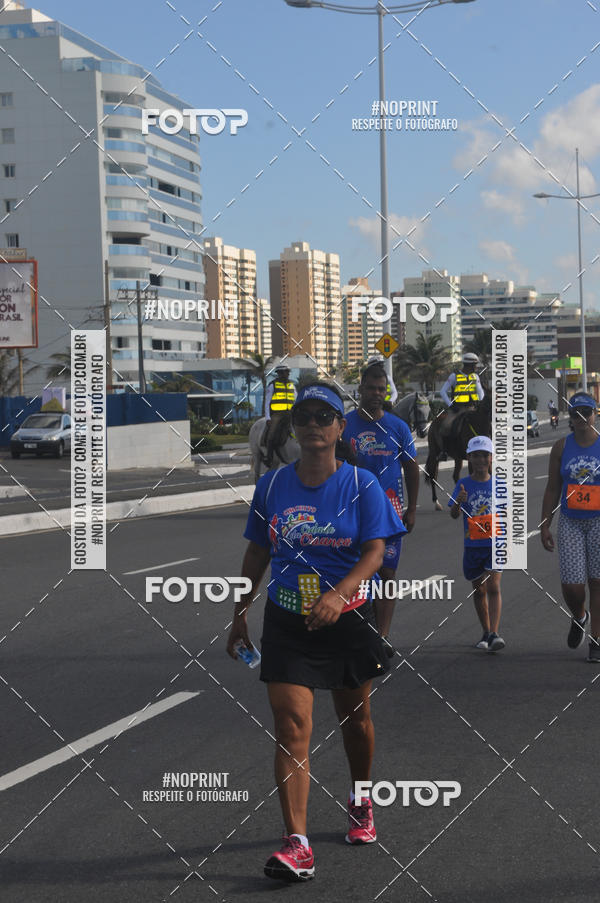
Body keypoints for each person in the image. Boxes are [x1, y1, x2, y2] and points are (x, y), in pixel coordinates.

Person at [227, 381, 405, 882]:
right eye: (304, 417)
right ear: (294, 427)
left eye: (323, 417)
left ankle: (361, 797)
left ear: (338, 428)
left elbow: (375, 551)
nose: (312, 426)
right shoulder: (274, 486)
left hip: (347, 620)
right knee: (291, 728)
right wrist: (239, 612)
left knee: (356, 721)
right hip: (287, 620)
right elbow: (257, 552)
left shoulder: (361, 484)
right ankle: (297, 844)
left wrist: (339, 595)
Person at [343, 361, 419, 654]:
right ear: (360, 389)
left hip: (389, 511)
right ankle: (355, 630)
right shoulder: (345, 425)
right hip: (351, 511)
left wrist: (412, 509)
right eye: (371, 388)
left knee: (387, 574)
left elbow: (411, 469)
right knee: (352, 572)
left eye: (381, 389)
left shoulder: (398, 427)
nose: (376, 393)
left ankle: (381, 637)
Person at [540, 392, 600, 662]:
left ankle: (596, 641)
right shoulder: (561, 447)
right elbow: (552, 488)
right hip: (571, 522)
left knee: (597, 582)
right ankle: (579, 615)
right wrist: (544, 525)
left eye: (586, 413)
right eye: (576, 414)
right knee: (572, 586)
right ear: (571, 419)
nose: (582, 418)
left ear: (595, 414)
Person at [448, 435, 505, 652]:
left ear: (491, 458)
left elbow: (507, 514)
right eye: (475, 456)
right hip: (472, 546)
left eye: (484, 455)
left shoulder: (499, 484)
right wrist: (459, 502)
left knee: (493, 586)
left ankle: (494, 633)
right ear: (469, 458)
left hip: (494, 544)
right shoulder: (463, 484)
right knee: (479, 591)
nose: (480, 460)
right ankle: (486, 630)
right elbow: (453, 514)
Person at [439, 352, 485, 441]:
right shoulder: (454, 376)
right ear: (468, 365)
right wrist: (451, 406)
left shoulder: (475, 376)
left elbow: (480, 392)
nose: (476, 367)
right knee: (446, 426)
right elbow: (443, 392)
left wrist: (481, 404)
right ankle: (444, 450)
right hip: (458, 410)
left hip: (472, 408)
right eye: (474, 365)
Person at [264, 365, 296, 467]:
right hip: (277, 414)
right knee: (271, 434)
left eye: (287, 372)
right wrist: (268, 417)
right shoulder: (273, 385)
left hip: (290, 413)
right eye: (285, 372)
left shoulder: (292, 385)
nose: (287, 374)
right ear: (279, 373)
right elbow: (267, 402)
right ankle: (269, 457)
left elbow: (296, 399)